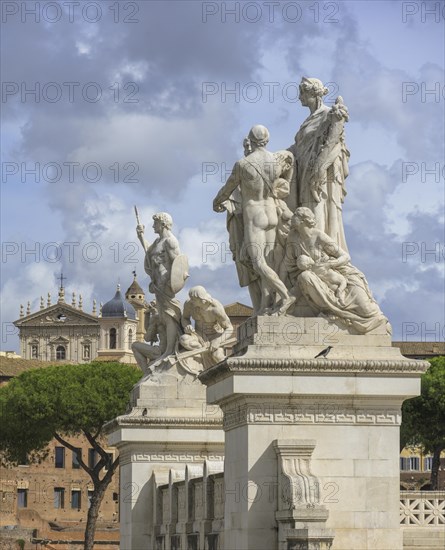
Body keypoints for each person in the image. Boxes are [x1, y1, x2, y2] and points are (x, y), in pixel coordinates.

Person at [213, 125, 295, 315]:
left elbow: (227, 189)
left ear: (250, 140)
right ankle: (266, 306)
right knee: (269, 262)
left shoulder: (243, 164)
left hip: (255, 215)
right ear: (267, 140)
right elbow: (289, 170)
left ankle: (285, 296)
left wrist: (217, 202)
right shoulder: (275, 161)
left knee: (258, 263)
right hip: (272, 213)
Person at [280, 207, 391, 334]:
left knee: (366, 309)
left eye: (295, 215)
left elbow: (345, 256)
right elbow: (286, 264)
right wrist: (280, 291)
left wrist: (329, 264)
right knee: (305, 276)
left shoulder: (319, 236)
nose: (291, 217)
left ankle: (379, 323)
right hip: (316, 278)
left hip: (340, 274)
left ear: (303, 220)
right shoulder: (292, 238)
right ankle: (330, 310)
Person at [288, 77, 350, 252]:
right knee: (307, 211)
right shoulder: (311, 119)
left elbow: (333, 141)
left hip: (320, 174)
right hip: (305, 172)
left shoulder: (328, 114)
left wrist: (319, 169)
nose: (300, 97)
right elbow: (299, 147)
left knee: (318, 210)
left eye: (302, 93)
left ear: (312, 93)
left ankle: (322, 254)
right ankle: (311, 254)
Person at [136, 212, 183, 367]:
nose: (152, 226)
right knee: (163, 316)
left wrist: (166, 280)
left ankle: (169, 350)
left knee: (170, 316)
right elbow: (150, 252)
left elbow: (178, 264)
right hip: (157, 286)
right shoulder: (158, 241)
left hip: (166, 286)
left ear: (163, 224)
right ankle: (166, 350)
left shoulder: (170, 241)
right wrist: (141, 236)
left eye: (155, 223)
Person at [178, 286, 233, 370]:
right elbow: (185, 318)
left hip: (214, 336)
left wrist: (218, 340)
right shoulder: (189, 304)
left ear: (202, 299)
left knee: (218, 357)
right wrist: (187, 326)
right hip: (198, 335)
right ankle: (204, 352)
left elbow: (229, 328)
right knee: (183, 339)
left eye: (194, 300)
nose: (191, 301)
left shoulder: (216, 308)